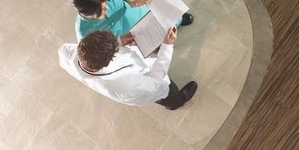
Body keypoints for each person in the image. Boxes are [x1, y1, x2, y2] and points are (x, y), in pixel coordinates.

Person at [58, 28, 197, 110]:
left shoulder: (68, 52)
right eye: (116, 49)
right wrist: (167, 46)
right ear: (109, 60)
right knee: (166, 92)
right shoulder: (125, 85)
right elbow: (155, 82)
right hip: (150, 86)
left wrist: (119, 41)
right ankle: (176, 102)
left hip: (139, 79)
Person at [72, 0, 193, 40]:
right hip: (129, 36)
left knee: (162, 21)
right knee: (151, 40)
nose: (106, 9)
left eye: (105, 5)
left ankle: (179, 20)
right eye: (101, 11)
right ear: (86, 13)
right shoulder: (84, 32)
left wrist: (131, 0)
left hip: (138, 14)